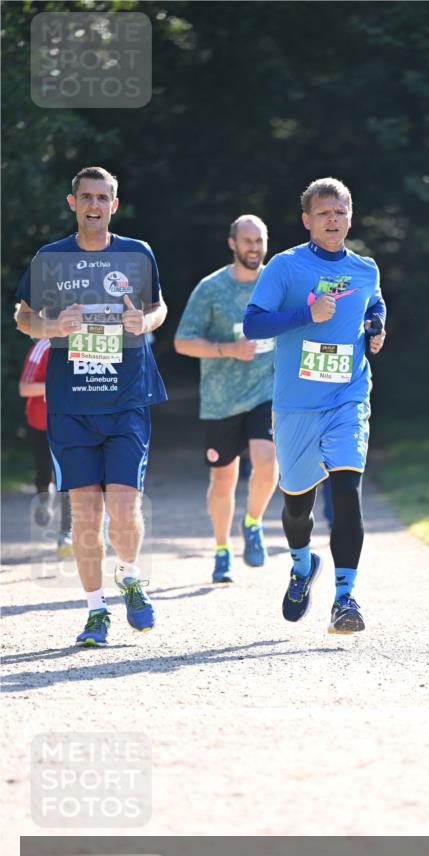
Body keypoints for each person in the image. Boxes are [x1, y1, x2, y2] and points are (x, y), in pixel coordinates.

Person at [15, 165, 168, 647]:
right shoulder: (51, 258)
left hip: (126, 400)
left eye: (103, 198)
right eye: (87, 197)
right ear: (73, 203)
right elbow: (23, 317)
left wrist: (145, 322)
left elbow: (159, 307)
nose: (95, 205)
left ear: (114, 205)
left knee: (122, 508)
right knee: (85, 515)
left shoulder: (137, 253)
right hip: (70, 406)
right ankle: (95, 611)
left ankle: (129, 575)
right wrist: (52, 327)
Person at [243, 177, 386, 634]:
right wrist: (307, 314)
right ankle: (303, 566)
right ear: (307, 220)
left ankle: (345, 599)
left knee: (346, 491)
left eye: (340, 212)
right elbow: (252, 325)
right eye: (324, 212)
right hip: (296, 407)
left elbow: (374, 304)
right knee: (297, 507)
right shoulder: (284, 267)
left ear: (350, 218)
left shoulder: (365, 269)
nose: (333, 220)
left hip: (348, 397)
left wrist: (376, 325)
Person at [174, 215, 278, 582]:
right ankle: (222, 550)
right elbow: (182, 342)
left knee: (268, 461)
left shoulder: (277, 282)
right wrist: (228, 349)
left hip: (266, 390)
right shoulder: (211, 288)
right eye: (247, 241)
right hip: (221, 399)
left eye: (259, 240)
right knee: (223, 480)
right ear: (232, 243)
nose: (254, 247)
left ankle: (253, 522)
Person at [18, 339, 72, 557]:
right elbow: (24, 388)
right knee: (44, 471)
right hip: (41, 422)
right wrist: (53, 386)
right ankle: (44, 497)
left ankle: (66, 534)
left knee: (70, 479)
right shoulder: (42, 347)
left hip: (71, 422)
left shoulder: (85, 344)